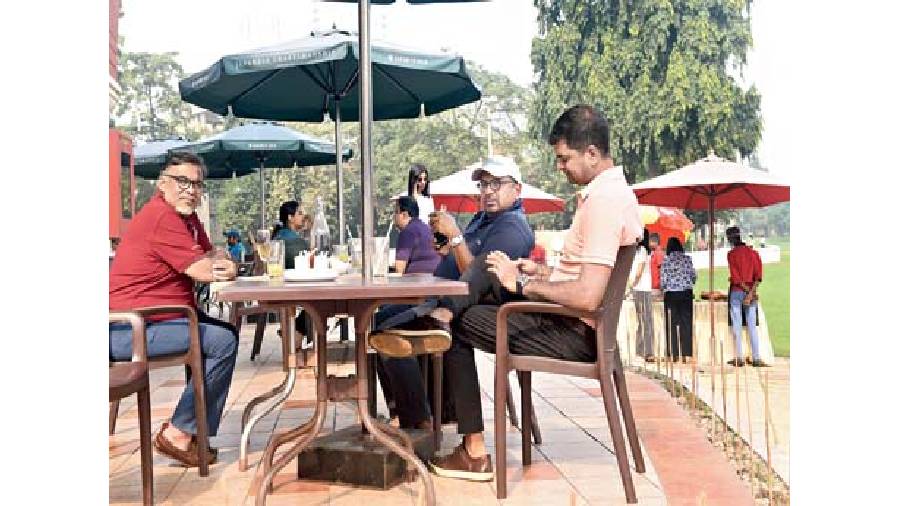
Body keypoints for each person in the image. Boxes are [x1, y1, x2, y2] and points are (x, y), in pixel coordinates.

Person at [425, 105, 642, 481]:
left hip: (572, 333)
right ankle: (465, 438)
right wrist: (540, 271)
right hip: (573, 325)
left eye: (564, 158)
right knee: (481, 285)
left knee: (457, 322)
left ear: (592, 153)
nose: (560, 167)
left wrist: (523, 284)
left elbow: (589, 296)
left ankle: (473, 451)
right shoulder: (613, 194)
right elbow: (588, 277)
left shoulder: (603, 202)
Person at [372, 156, 535, 431]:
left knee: (387, 327)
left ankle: (418, 419)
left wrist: (457, 236)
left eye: (496, 184)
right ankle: (424, 409)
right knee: (380, 316)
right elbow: (465, 259)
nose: (488, 191)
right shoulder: (484, 218)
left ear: (516, 189)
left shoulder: (512, 227)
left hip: (472, 309)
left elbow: (480, 277)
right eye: (483, 185)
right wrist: (449, 248)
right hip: (442, 296)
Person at [109, 151, 238, 468]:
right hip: (130, 329)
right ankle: (179, 433)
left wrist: (217, 261)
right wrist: (222, 266)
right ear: (162, 183)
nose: (191, 190)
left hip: (165, 317)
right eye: (182, 182)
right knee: (221, 342)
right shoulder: (161, 218)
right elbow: (206, 269)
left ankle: (191, 431)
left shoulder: (186, 218)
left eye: (197, 184)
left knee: (224, 334)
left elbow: (212, 253)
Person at [725, 226, 766, 367]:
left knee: (737, 325)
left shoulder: (731, 254)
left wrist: (746, 291)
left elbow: (736, 278)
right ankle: (756, 358)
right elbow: (758, 276)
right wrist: (751, 293)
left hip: (737, 292)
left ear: (730, 238)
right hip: (751, 291)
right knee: (752, 326)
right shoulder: (753, 253)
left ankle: (740, 358)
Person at [659, 237, 696, 363]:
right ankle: (687, 355)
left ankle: (673, 355)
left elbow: (663, 281)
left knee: (671, 324)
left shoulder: (666, 261)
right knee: (686, 323)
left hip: (671, 295)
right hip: (686, 293)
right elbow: (693, 276)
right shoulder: (687, 259)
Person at [393, 196, 441, 274]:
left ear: (404, 215)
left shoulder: (407, 232)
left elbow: (399, 269)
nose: (394, 216)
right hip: (437, 276)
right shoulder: (426, 227)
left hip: (417, 281)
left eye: (396, 212)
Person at [630, 229, 656, 362]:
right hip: (643, 289)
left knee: (642, 321)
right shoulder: (643, 252)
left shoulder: (636, 251)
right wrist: (633, 284)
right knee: (647, 321)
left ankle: (640, 350)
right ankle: (648, 352)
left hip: (637, 289)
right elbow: (639, 272)